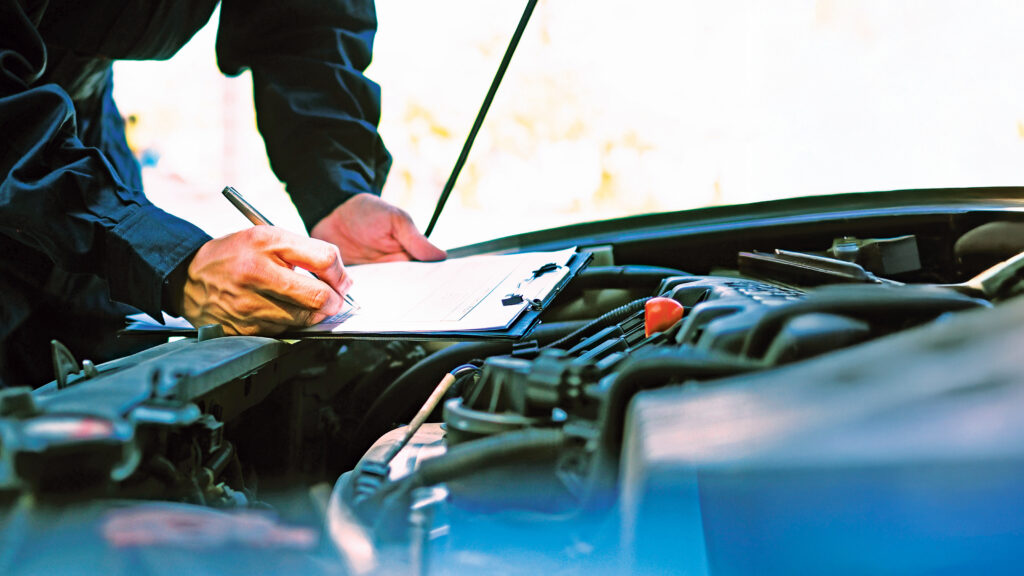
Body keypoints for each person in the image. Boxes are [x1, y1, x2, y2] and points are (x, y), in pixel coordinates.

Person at [0, 0, 445, 387]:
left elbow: (304, 24)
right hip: (19, 139)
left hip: (79, 137)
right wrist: (174, 264)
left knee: (117, 383)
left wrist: (337, 187)